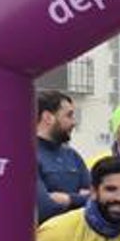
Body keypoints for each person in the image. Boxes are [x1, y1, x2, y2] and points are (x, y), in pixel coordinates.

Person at [36, 89, 91, 223]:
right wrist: (80, 199)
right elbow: (44, 208)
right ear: (48, 117)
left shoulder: (73, 156)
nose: (74, 122)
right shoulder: (25, 156)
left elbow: (97, 200)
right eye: (69, 115)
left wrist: (68, 199)